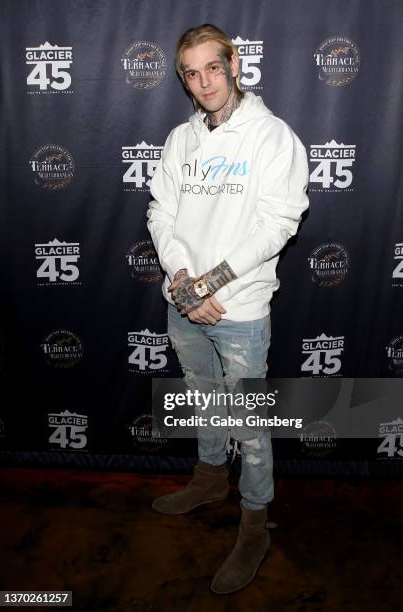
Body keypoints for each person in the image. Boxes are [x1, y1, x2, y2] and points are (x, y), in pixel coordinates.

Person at [147, 23, 309, 594]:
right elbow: (159, 214)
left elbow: (278, 225)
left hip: (239, 306)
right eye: (190, 73)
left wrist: (213, 283)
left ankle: (256, 522)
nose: (203, 82)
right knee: (202, 396)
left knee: (249, 422)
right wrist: (184, 281)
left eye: (212, 68)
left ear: (234, 64)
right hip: (183, 298)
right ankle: (210, 478)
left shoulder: (273, 137)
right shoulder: (179, 140)